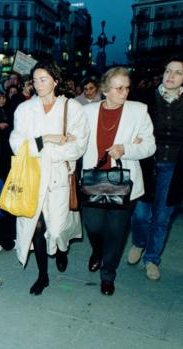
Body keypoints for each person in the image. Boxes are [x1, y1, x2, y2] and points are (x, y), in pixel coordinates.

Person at [9, 61, 89, 295]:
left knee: (56, 228)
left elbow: (78, 146)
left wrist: (43, 150)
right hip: (31, 175)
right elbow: (16, 143)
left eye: (43, 79)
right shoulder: (24, 110)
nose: (38, 84)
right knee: (36, 225)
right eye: (34, 80)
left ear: (55, 80)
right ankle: (42, 275)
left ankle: (62, 249)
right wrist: (48, 139)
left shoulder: (72, 108)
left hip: (58, 176)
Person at [82, 67, 156, 295]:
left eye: (127, 87)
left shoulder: (139, 111)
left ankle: (108, 274)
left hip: (124, 183)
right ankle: (98, 250)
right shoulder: (87, 111)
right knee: (93, 226)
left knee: (116, 232)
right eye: (119, 88)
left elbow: (149, 146)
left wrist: (127, 148)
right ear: (105, 90)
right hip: (93, 178)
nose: (124, 93)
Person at [129, 57, 183, 281]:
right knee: (141, 214)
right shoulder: (144, 97)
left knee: (162, 216)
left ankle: (151, 259)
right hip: (147, 163)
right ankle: (139, 242)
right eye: (168, 71)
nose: (171, 76)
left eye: (178, 72)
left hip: (175, 166)